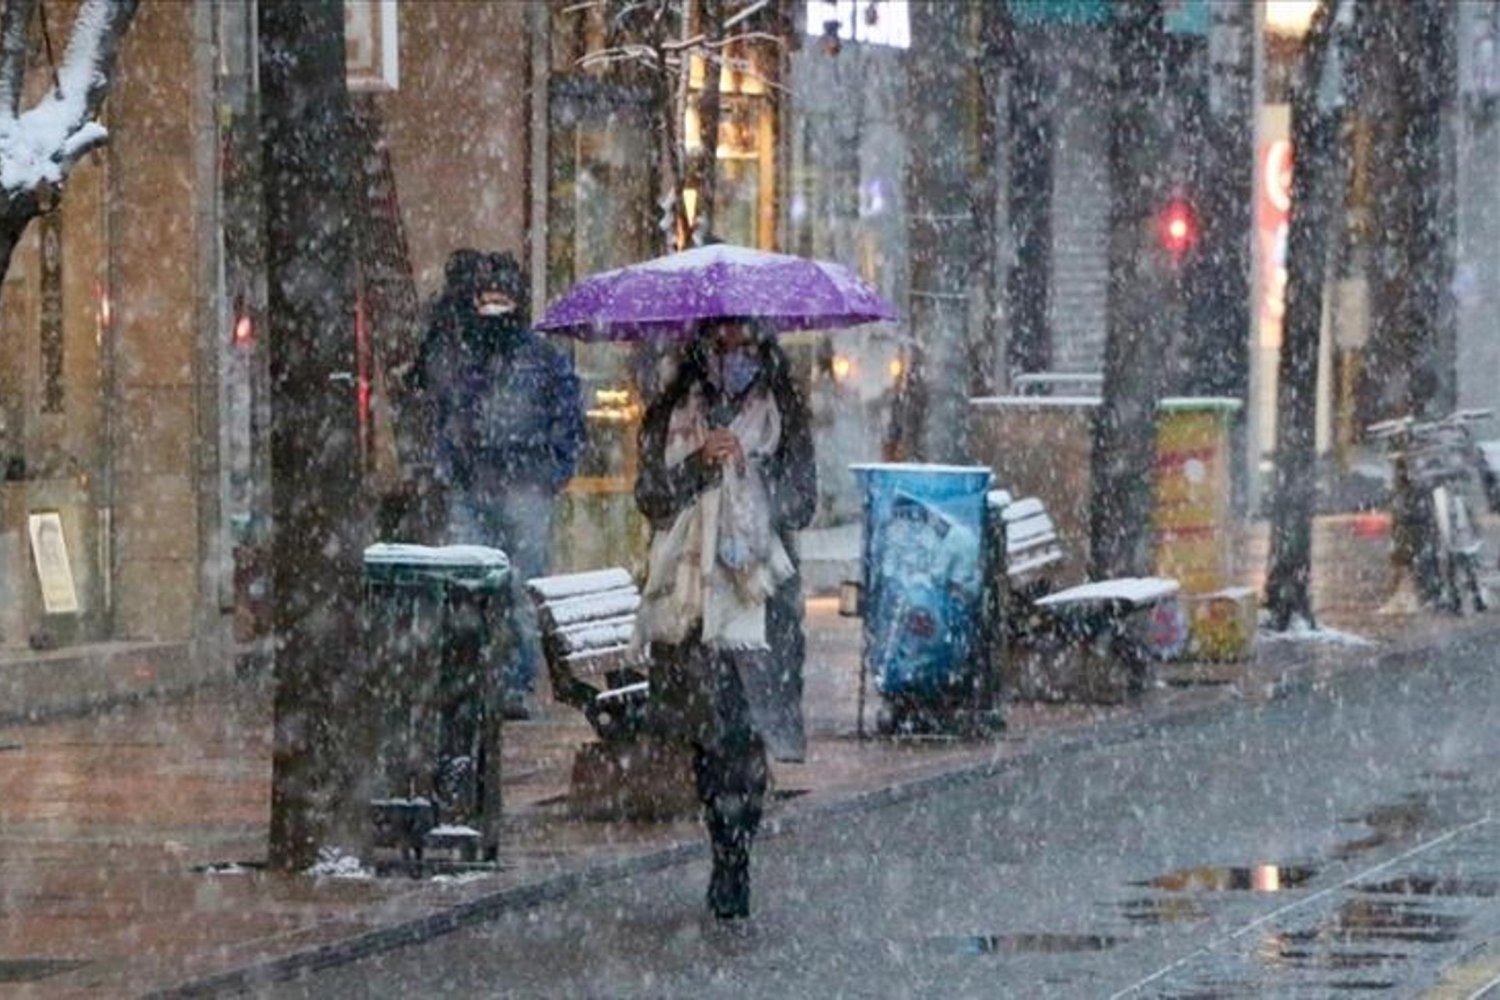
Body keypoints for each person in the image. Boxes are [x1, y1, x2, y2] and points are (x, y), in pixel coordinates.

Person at [633, 318, 816, 920]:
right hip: (692, 595)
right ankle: (723, 840)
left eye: (745, 346)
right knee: (711, 737)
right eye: (722, 346)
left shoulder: (780, 411)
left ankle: (737, 853)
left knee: (746, 733)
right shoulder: (673, 411)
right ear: (702, 351)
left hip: (759, 592)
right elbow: (652, 496)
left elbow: (802, 501)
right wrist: (699, 464)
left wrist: (749, 471)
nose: (733, 358)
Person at [411, 249, 586, 720]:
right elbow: (444, 410)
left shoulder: (541, 359)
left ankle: (515, 681)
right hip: (475, 485)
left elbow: (567, 415)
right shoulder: (466, 352)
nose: (493, 310)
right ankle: (474, 678)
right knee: (470, 585)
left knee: (520, 590)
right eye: (486, 299)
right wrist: (452, 465)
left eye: (501, 299)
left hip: (525, 489)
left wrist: (552, 470)